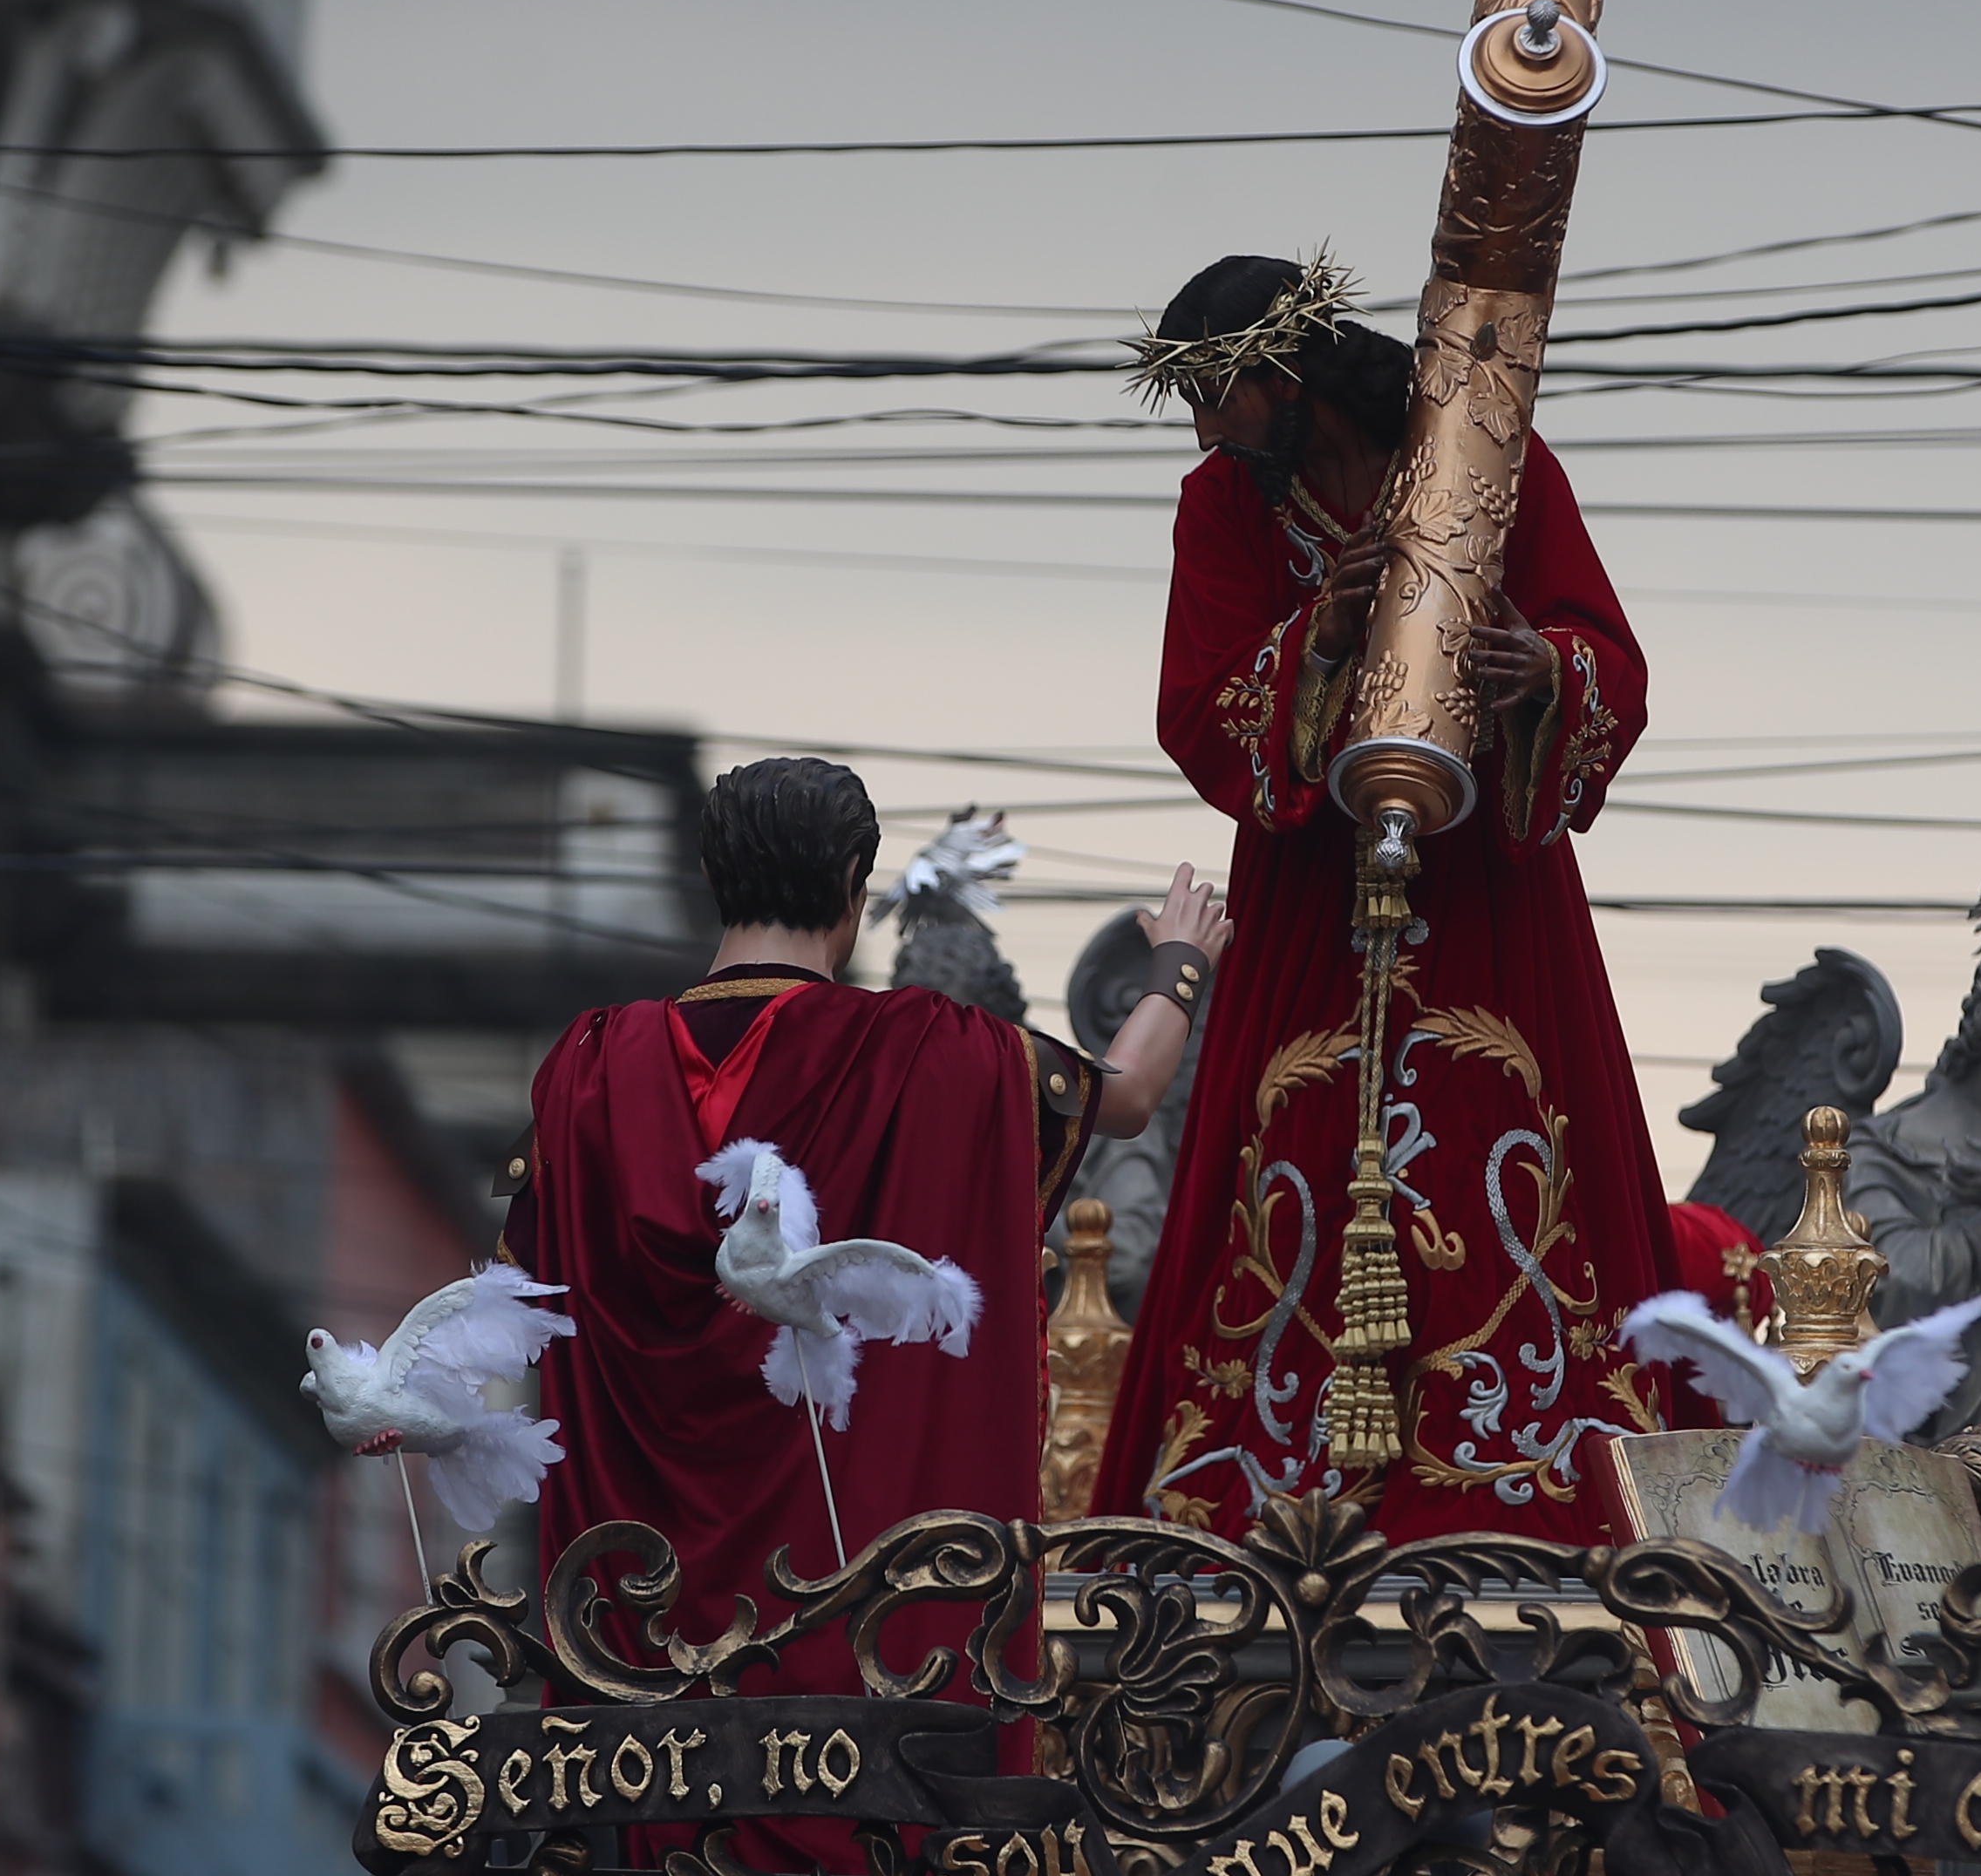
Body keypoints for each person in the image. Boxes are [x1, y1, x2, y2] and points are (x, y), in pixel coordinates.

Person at [1091, 251, 1695, 1547]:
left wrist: (1544, 670)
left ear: (1291, 374)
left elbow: (1610, 660)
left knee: (1505, 1137)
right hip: (1312, 890)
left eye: (1220, 397)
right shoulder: (1224, 505)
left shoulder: (1493, 462)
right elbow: (1195, 710)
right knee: (1289, 1149)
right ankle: (1265, 1490)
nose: (1204, 431)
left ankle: (1530, 1483)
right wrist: (1317, 636)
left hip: (1487, 896)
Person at [503, 757, 1220, 1644]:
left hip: (631, 1643)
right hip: (864, 1649)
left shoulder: (589, 1070)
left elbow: (508, 1306)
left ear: (712, 879)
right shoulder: (931, 1052)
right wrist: (1180, 964)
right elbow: (1131, 1091)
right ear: (853, 885)